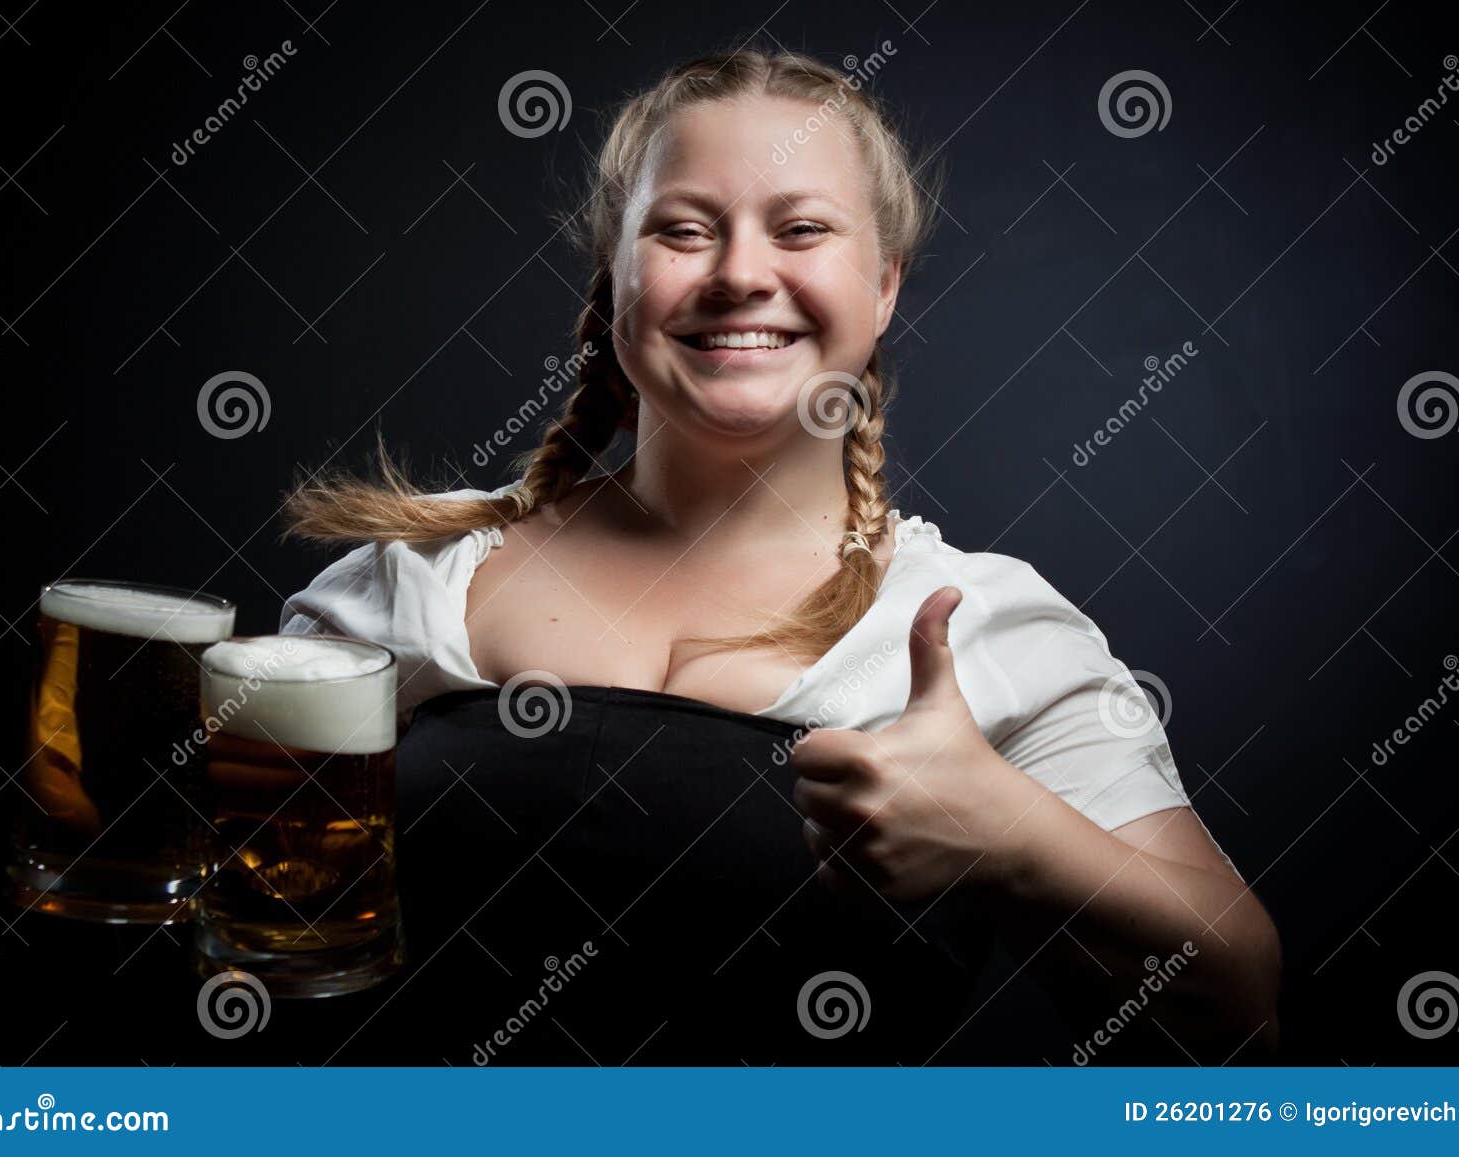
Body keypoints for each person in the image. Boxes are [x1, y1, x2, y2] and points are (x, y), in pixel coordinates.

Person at [278, 46, 1280, 1064]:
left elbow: (1237, 996)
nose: (741, 275)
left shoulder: (975, 622)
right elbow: (222, 910)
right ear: (612, 275)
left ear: (883, 285)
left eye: (800, 229)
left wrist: (1017, 834)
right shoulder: (423, 566)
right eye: (681, 231)